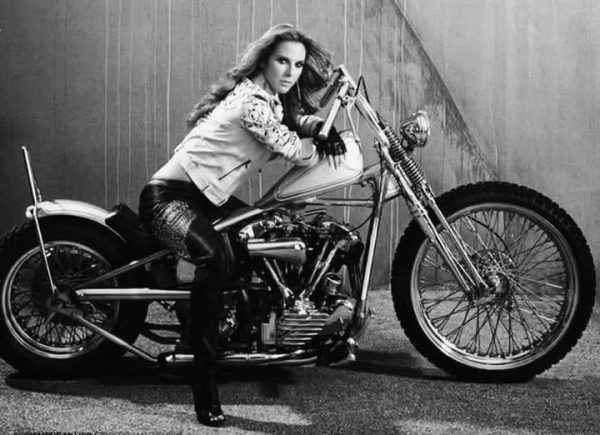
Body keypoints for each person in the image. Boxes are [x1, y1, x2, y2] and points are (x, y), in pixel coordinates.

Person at [138, 23, 336, 427]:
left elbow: (293, 119)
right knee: (214, 260)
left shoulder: (268, 97)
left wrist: (317, 127)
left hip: (208, 196)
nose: (291, 72)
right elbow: (291, 147)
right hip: (170, 199)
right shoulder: (251, 104)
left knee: (268, 232)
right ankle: (204, 386)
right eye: (283, 61)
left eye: (298, 65)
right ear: (264, 61)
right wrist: (324, 141)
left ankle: (244, 331)